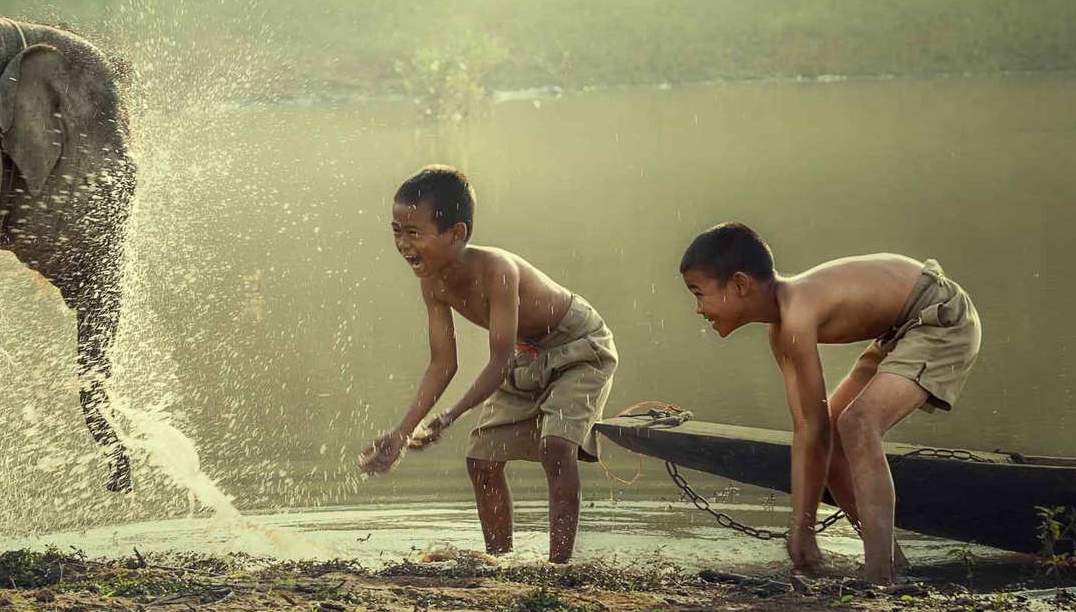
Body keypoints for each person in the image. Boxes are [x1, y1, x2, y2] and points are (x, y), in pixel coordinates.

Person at [679, 222, 981, 583]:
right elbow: (809, 426)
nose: (698, 309)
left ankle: (879, 576)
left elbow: (814, 429)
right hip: (897, 331)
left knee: (857, 423)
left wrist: (804, 527)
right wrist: (801, 525)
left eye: (699, 294)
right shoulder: (781, 330)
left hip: (938, 316)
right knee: (839, 430)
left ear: (740, 285)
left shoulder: (797, 313)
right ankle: (894, 563)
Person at [358, 165, 616, 564]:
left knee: (557, 446)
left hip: (578, 347)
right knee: (481, 457)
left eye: (414, 233)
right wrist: (401, 433)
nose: (403, 245)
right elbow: (443, 363)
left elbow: (498, 363)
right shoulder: (432, 283)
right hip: (526, 354)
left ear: (455, 234)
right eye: (396, 231)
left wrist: (451, 415)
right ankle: (501, 561)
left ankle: (559, 567)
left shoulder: (498, 270)